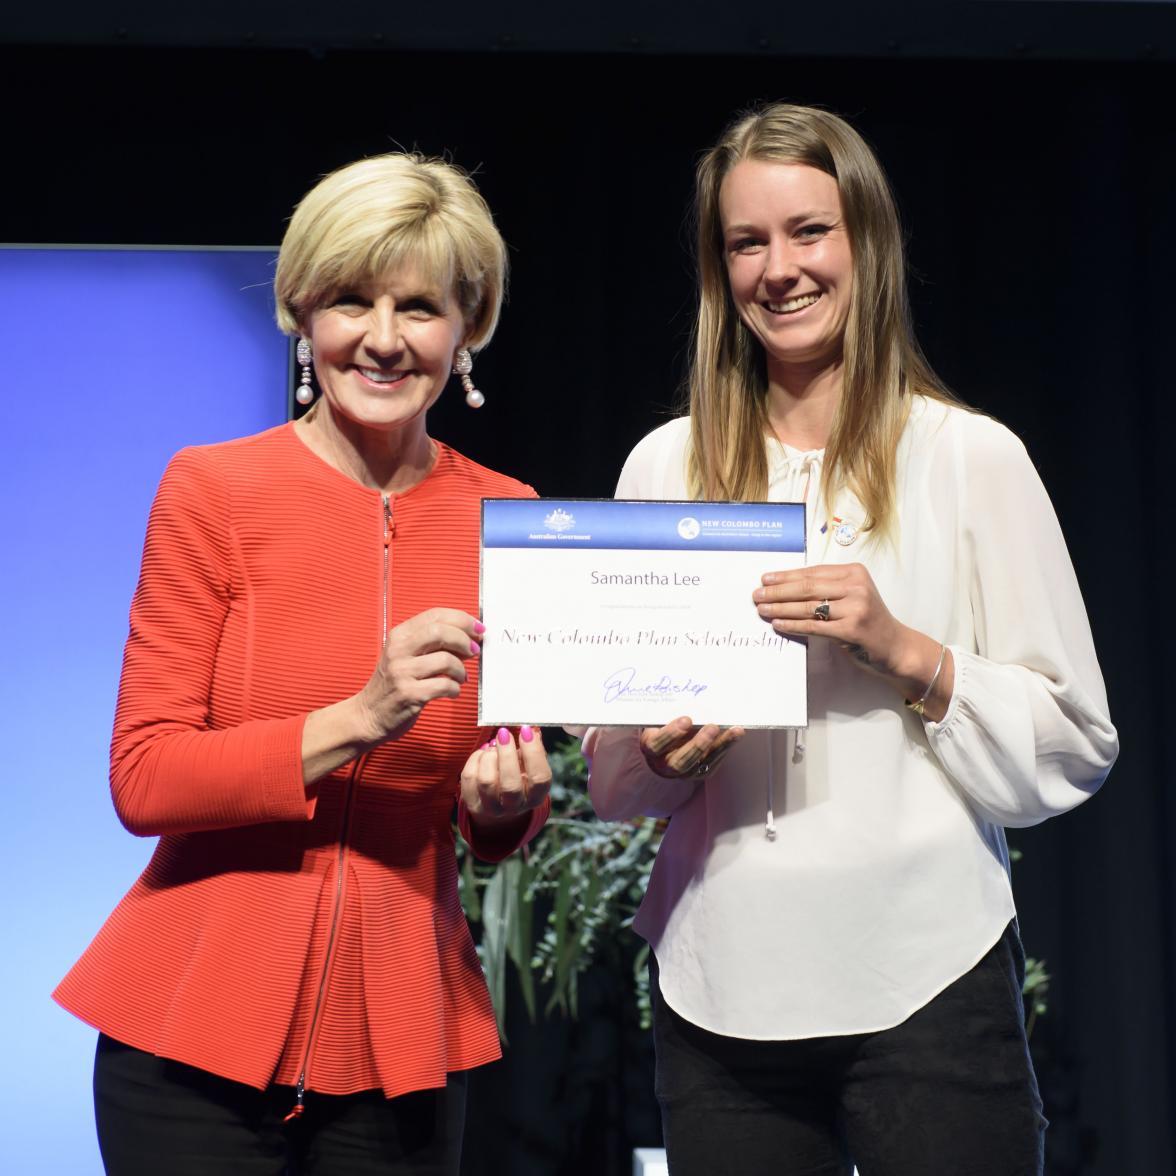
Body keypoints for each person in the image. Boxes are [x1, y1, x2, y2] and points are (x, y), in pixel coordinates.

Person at [584, 104, 1118, 1175]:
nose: (780, 269)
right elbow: (612, 779)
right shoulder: (664, 469)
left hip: (926, 971)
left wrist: (907, 653)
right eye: (747, 241)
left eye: (809, 231)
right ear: (718, 267)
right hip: (721, 984)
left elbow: (1075, 742)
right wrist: (657, 757)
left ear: (867, 240)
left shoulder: (971, 459)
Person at [54, 152, 551, 1175]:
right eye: (349, 301)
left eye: (418, 307)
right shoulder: (212, 491)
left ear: (470, 327)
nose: (381, 338)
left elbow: (490, 815)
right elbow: (145, 779)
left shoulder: (514, 519)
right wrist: (357, 716)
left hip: (402, 1030)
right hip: (191, 1035)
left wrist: (504, 807)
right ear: (299, 312)